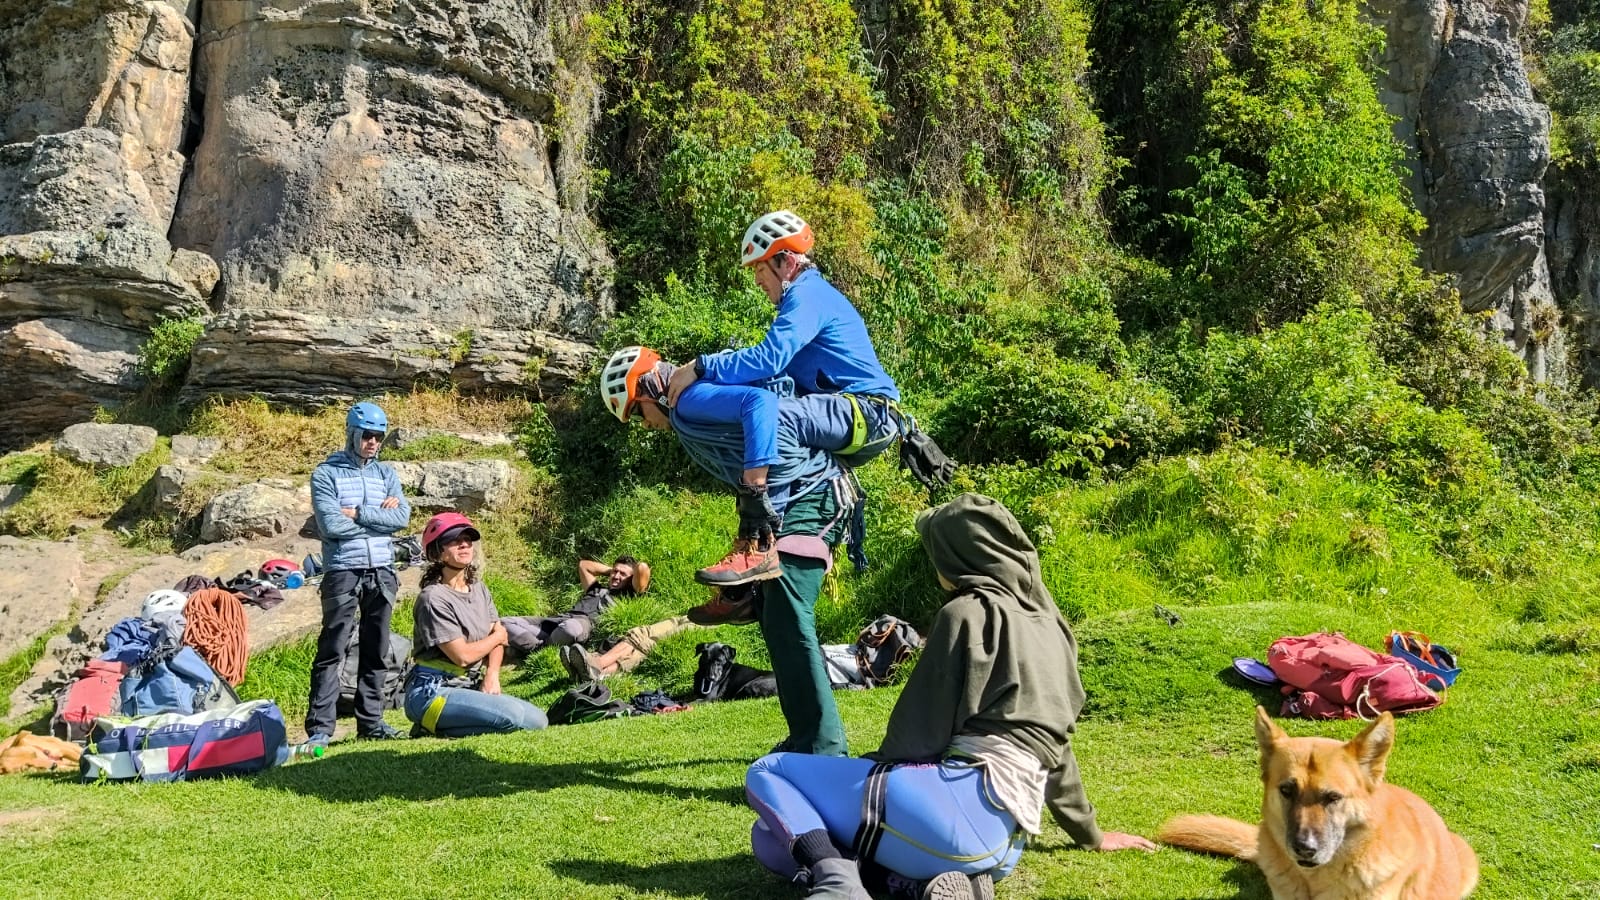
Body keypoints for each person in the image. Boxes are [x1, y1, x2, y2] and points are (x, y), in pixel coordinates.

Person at [742, 494, 1157, 900]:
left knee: (770, 774)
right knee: (771, 835)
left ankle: (839, 884)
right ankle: (921, 885)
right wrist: (1091, 834)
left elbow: (917, 737)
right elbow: (1055, 750)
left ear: (956, 554)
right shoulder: (1054, 629)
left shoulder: (964, 613)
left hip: (945, 814)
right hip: (1004, 845)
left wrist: (862, 775)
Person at [602, 348, 854, 756]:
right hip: (803, 498)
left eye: (636, 414)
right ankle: (806, 735)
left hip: (818, 497)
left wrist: (754, 488)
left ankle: (824, 747)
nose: (646, 426)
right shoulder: (692, 406)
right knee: (774, 613)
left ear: (643, 393)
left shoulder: (687, 402)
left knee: (788, 609)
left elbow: (760, 403)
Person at [662, 210, 903, 586]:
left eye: (760, 268)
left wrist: (702, 366)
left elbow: (768, 358)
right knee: (768, 413)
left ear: (786, 262)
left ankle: (756, 542)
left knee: (774, 416)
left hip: (868, 411)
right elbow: (771, 372)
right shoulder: (809, 297)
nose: (757, 280)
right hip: (854, 414)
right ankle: (752, 582)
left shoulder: (808, 296)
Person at [304, 402, 412, 746]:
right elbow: (330, 524)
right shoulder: (326, 474)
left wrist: (359, 513)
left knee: (376, 648)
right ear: (352, 433)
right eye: (367, 435)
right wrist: (378, 521)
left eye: (379, 437)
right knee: (332, 648)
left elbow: (402, 519)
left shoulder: (386, 475)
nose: (373, 442)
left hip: (382, 570)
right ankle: (320, 728)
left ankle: (372, 722)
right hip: (342, 570)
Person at [404, 512, 548, 737]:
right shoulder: (433, 598)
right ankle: (429, 728)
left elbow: (499, 637)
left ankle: (443, 726)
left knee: (538, 720)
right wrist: (497, 637)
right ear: (437, 551)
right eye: (454, 540)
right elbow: (462, 656)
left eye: (468, 539)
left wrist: (492, 674)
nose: (464, 544)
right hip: (432, 690)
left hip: (469, 684)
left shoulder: (478, 588)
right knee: (510, 719)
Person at [557, 582, 760, 681]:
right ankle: (593, 666)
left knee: (646, 646)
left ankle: (597, 669)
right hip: (694, 615)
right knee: (640, 632)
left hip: (715, 622)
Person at [498, 556, 652, 657]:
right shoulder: (596, 589)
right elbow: (584, 565)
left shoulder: (628, 596)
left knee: (570, 628)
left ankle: (533, 650)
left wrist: (630, 577)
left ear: (631, 578)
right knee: (504, 623)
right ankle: (538, 649)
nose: (616, 576)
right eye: (615, 571)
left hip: (580, 626)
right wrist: (610, 571)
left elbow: (642, 568)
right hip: (557, 621)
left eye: (622, 574)